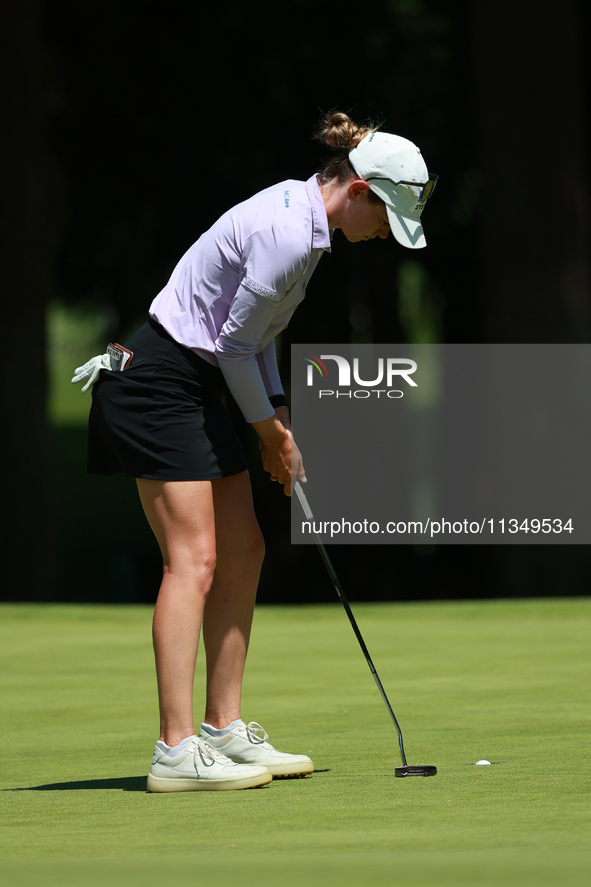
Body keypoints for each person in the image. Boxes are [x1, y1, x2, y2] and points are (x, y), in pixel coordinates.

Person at [72, 110, 437, 792]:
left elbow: (255, 338)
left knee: (244, 548)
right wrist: (268, 432)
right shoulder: (283, 233)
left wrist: (279, 420)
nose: (384, 232)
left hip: (204, 382)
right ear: (356, 190)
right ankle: (174, 749)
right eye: (384, 216)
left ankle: (222, 729)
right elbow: (236, 345)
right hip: (156, 383)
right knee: (195, 558)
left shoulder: (310, 231)